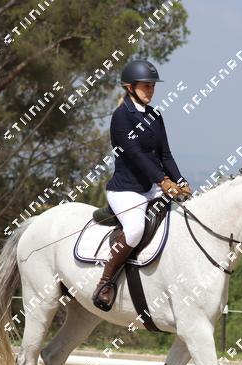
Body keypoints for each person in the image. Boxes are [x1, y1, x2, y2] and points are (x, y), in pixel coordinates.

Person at [92, 59, 191, 311]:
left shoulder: (155, 115)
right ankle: (105, 282)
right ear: (130, 87)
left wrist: (180, 181)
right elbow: (134, 154)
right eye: (146, 86)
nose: (151, 90)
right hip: (126, 190)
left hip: (152, 187)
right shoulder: (121, 117)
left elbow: (165, 154)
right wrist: (163, 180)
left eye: (152, 86)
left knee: (183, 219)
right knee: (135, 229)